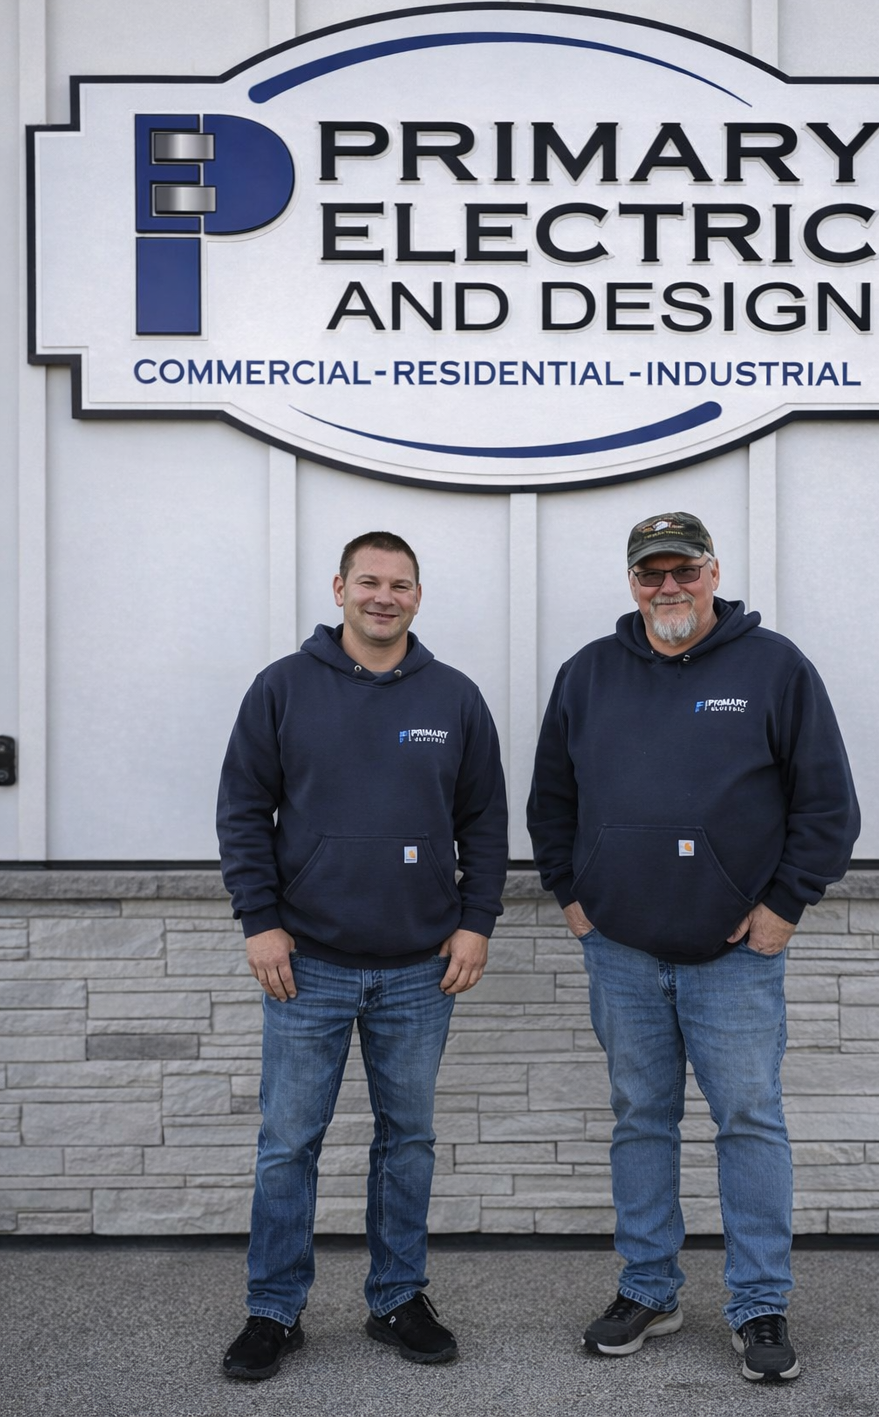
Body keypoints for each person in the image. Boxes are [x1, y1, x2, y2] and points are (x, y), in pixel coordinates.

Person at [527, 510, 859, 1384]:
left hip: (736, 955)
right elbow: (549, 801)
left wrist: (785, 905)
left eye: (684, 571)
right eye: (650, 574)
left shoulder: (774, 667)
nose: (667, 588)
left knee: (749, 1121)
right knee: (641, 1120)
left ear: (713, 572)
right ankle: (650, 1288)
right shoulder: (588, 674)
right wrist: (572, 896)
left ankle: (758, 1305)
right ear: (631, 581)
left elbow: (828, 806)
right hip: (622, 951)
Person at [217, 530, 508, 1379]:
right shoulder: (282, 689)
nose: (385, 596)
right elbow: (242, 811)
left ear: (420, 596)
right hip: (305, 962)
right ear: (340, 587)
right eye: (370, 582)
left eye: (402, 584)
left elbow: (484, 821)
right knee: (288, 1143)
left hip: (421, 967)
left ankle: (396, 1300)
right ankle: (273, 1311)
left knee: (407, 1139)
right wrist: (260, 921)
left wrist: (476, 920)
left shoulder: (454, 698)